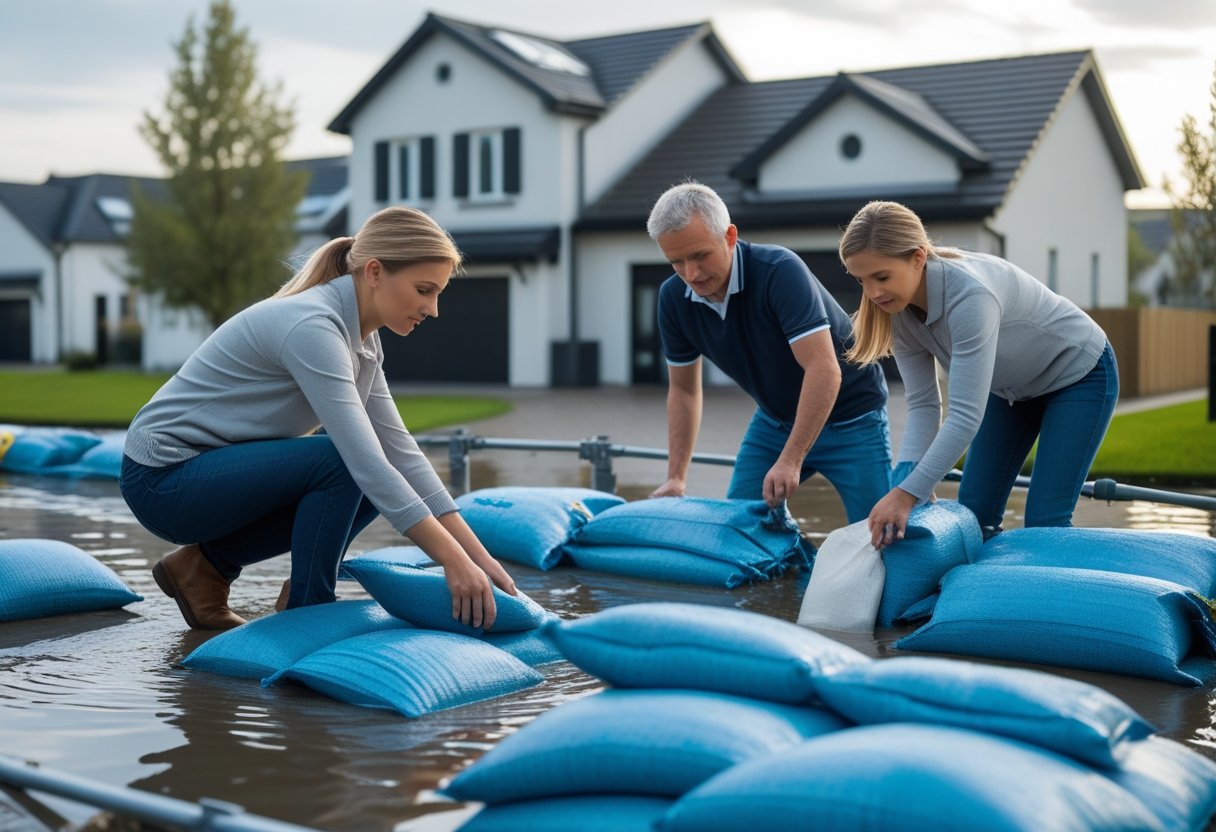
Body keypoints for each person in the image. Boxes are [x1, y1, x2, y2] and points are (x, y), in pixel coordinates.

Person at [120, 206, 516, 631]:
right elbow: (363, 461)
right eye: (424, 290)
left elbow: (403, 454)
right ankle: (309, 608)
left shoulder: (361, 340)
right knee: (342, 460)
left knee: (365, 472)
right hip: (161, 478)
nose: (433, 309)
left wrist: (482, 561)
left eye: (437, 293)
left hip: (208, 473)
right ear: (376, 272)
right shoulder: (313, 327)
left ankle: (204, 569)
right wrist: (453, 563)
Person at [839, 200, 1118, 550]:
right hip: (1010, 389)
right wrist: (905, 479)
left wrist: (907, 494)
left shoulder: (970, 296)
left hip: (1078, 373)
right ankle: (989, 599)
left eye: (881, 277)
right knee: (973, 520)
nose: (873, 293)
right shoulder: (897, 312)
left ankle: (1049, 598)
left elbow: (965, 416)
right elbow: (925, 405)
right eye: (862, 280)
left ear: (918, 258)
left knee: (1045, 522)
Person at [646, 182, 892, 521]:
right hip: (775, 421)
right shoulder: (673, 299)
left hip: (854, 417)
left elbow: (824, 368)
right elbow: (684, 390)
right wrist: (676, 477)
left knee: (876, 532)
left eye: (701, 255)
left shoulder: (779, 270)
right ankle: (791, 570)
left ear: (730, 236)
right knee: (740, 525)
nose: (692, 274)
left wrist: (790, 459)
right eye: (676, 261)